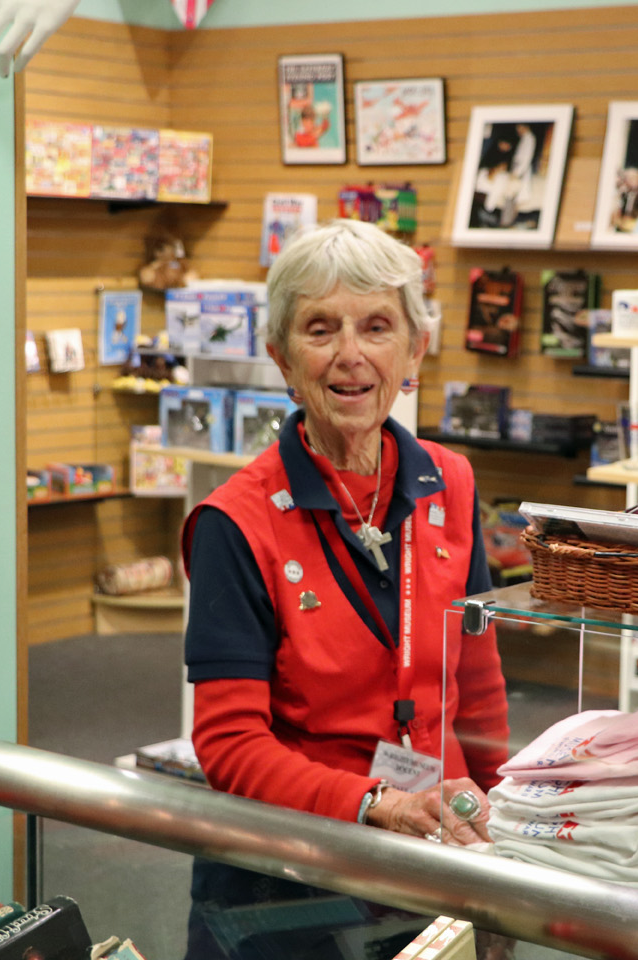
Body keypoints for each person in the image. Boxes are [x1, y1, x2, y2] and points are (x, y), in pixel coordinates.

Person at [180, 219, 511, 957]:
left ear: (415, 348)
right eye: (321, 329)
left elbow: (478, 679)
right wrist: (375, 804)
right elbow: (229, 745)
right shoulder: (234, 522)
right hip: (294, 870)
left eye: (377, 326)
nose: (351, 355)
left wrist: (506, 838)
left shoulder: (449, 483)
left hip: (436, 843)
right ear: (281, 358)